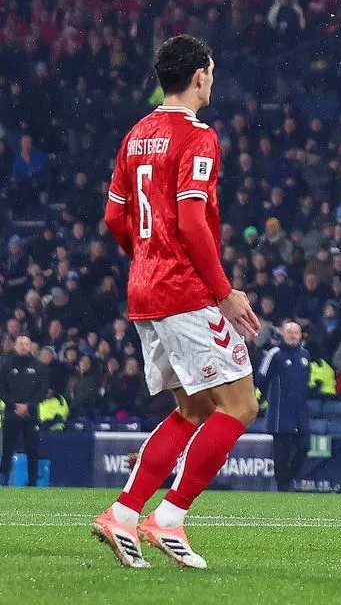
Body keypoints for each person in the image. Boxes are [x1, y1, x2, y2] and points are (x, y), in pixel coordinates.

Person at [92, 35, 261, 570]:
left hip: (145, 289)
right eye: (212, 72)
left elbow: (115, 217)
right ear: (200, 76)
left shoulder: (136, 135)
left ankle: (123, 513)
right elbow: (190, 221)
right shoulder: (198, 136)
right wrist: (223, 292)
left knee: (193, 409)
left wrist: (146, 256)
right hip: (184, 290)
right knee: (241, 406)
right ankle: (168, 519)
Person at [256, 321, 311, 492]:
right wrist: (259, 400)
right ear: (283, 334)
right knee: (282, 451)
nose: (293, 335)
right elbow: (262, 377)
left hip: (300, 412)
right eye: (289, 332)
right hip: (280, 411)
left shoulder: (305, 355)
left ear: (300, 335)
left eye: (296, 332)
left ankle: (289, 478)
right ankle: (283, 485)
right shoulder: (275, 354)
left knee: (304, 445)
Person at [0, 336, 48, 486]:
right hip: (11, 414)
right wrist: (14, 406)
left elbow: (43, 390)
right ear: (15, 346)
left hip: (31, 415)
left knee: (32, 451)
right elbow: (2, 389)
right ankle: (3, 483)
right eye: (20, 343)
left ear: (31, 346)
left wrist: (28, 406)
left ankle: (32, 484)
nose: (23, 346)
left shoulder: (40, 366)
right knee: (7, 450)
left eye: (26, 344)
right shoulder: (6, 365)